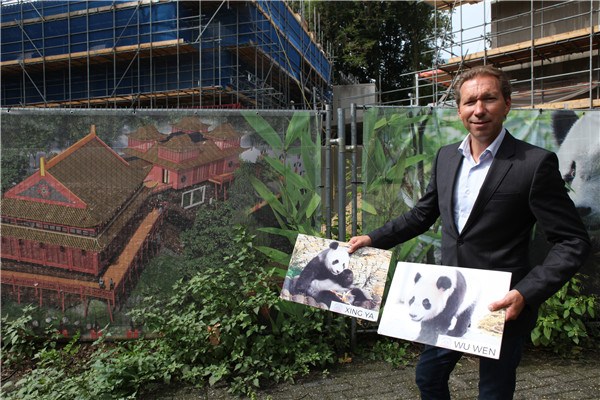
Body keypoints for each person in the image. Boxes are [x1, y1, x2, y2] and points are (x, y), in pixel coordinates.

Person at [348, 65, 590, 400]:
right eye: (470, 101)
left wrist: (526, 292)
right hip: (450, 299)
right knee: (428, 378)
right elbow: (422, 214)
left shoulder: (534, 164)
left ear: (506, 103)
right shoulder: (447, 157)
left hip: (502, 304)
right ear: (459, 109)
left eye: (489, 99)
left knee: (493, 392)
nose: (479, 109)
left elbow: (572, 241)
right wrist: (374, 239)